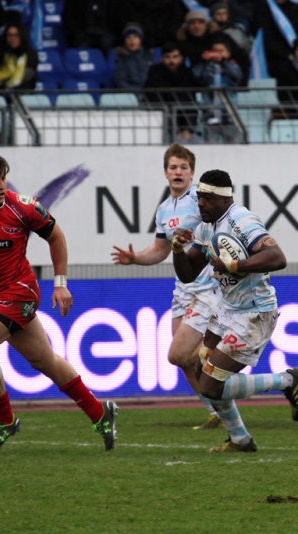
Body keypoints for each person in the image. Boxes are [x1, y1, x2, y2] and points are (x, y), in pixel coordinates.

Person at [0, 151, 117, 453]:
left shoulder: (22, 207)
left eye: (3, 178)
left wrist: (61, 283)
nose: (1, 185)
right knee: (45, 361)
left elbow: (57, 237)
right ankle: (99, 413)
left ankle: (5, 419)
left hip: (21, 290)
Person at [171, 169, 298, 452]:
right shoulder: (206, 225)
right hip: (226, 309)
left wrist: (233, 266)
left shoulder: (241, 220)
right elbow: (188, 275)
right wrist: (177, 251)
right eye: (199, 198)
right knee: (200, 367)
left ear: (222, 199)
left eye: (206, 199)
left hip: (253, 314)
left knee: (210, 386)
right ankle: (240, 440)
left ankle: (287, 380)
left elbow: (277, 257)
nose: (200, 204)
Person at [111, 144, 223, 430]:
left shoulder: (201, 201)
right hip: (182, 289)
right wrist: (135, 258)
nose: (178, 172)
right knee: (185, 361)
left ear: (192, 172)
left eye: (183, 167)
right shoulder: (164, 209)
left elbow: (218, 234)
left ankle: (225, 361)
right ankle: (217, 413)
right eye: (173, 167)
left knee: (179, 353)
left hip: (206, 287)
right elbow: (160, 251)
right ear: (165, 172)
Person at [143, 41, 201, 143]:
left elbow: (191, 104)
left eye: (175, 57)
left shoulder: (187, 74)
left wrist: (187, 129)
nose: (171, 61)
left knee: (200, 144)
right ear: (161, 59)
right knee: (182, 147)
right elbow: (156, 104)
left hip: (185, 127)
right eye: (168, 57)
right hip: (164, 127)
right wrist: (172, 129)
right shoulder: (154, 75)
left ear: (180, 59)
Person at [0, 22, 38, 90]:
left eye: (16, 35)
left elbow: (29, 80)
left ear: (22, 36)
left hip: (21, 94)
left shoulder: (30, 54)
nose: (13, 38)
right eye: (9, 35)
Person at [113, 22, 154, 90]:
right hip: (130, 95)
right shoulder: (121, 58)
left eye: (135, 37)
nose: (132, 40)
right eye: (128, 37)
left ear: (141, 39)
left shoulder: (149, 55)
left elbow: (154, 79)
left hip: (150, 95)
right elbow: (121, 82)